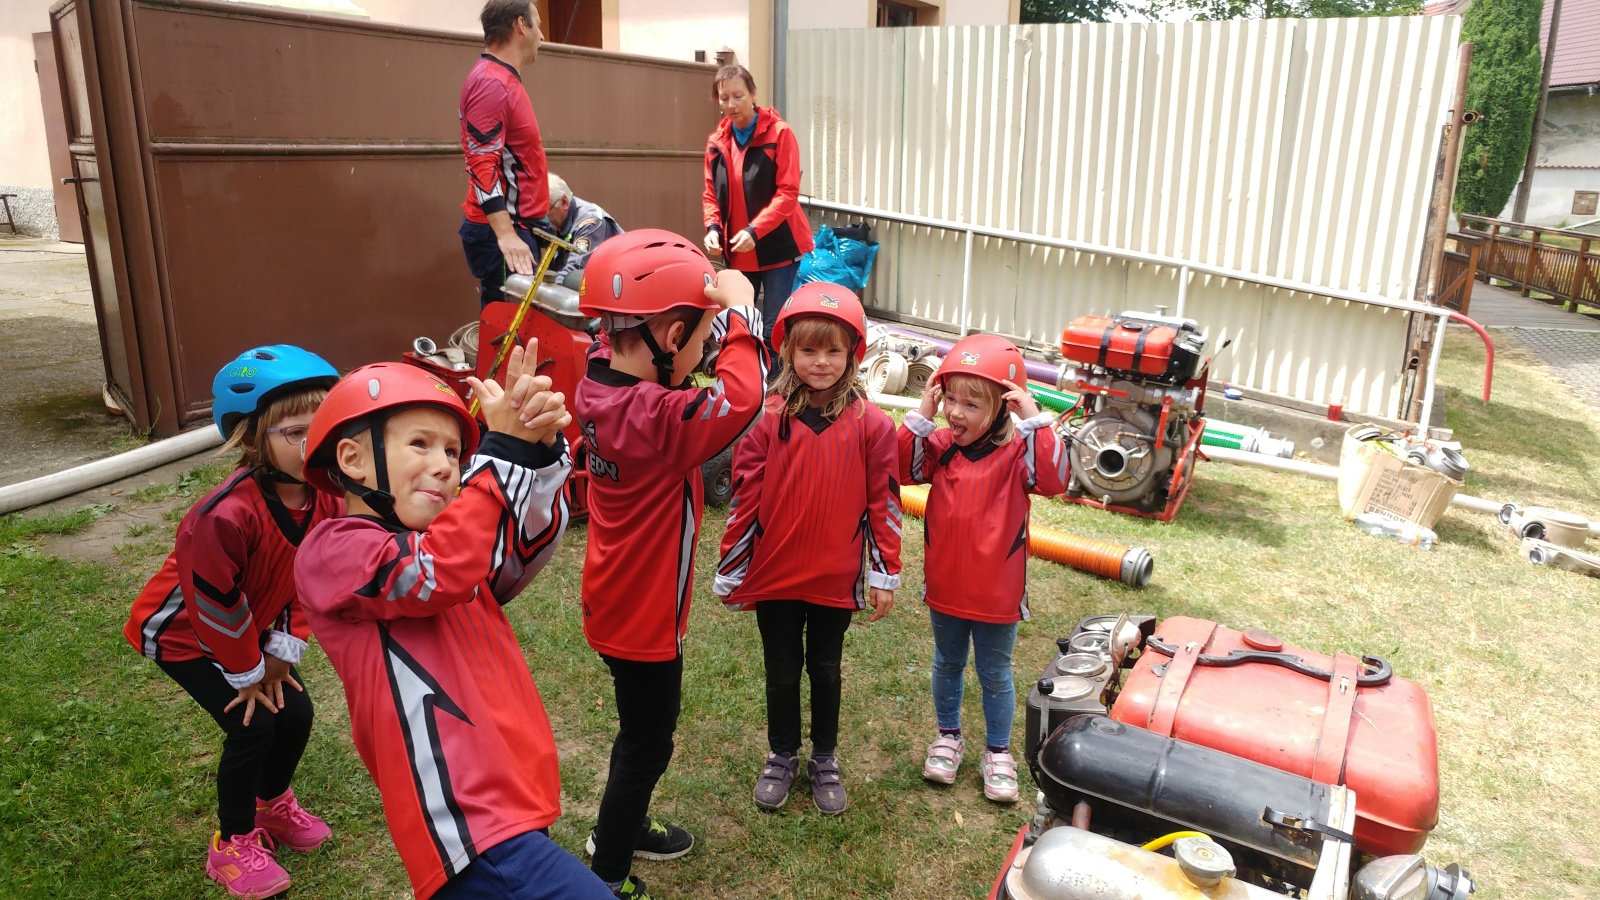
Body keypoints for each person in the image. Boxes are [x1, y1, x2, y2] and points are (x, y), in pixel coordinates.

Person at [293, 352, 613, 900]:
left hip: (505, 802)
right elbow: (437, 572)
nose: (445, 466)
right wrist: (502, 453)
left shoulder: (444, 545)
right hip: (464, 822)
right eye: (421, 443)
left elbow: (521, 554)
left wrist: (538, 455)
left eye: (452, 452)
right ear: (352, 459)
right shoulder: (333, 550)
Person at [574, 229, 769, 899]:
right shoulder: (654, 415)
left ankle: (621, 827)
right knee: (648, 742)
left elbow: (611, 334)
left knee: (638, 732)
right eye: (702, 341)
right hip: (643, 621)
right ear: (670, 335)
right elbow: (742, 397)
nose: (706, 355)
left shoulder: (601, 383)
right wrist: (741, 312)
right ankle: (608, 869)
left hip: (615, 602)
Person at [122, 345, 340, 900]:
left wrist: (282, 650)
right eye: (296, 432)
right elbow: (213, 603)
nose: (313, 443)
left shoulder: (327, 497)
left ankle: (271, 804)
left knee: (297, 713)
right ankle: (233, 842)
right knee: (254, 724)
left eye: (324, 427)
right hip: (185, 634)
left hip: (253, 624)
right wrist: (249, 671)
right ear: (251, 439)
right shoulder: (223, 514)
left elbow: (309, 575)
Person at [712, 282, 901, 816]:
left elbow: (885, 503)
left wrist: (884, 572)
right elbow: (745, 498)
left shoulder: (873, 426)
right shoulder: (766, 419)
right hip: (775, 573)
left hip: (833, 577)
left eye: (833, 350)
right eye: (809, 349)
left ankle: (824, 757)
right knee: (781, 669)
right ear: (788, 351)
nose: (821, 362)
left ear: (853, 354)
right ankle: (781, 754)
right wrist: (732, 567)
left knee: (825, 667)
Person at [898, 334, 1070, 804]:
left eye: (971, 404)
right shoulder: (940, 445)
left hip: (997, 593)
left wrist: (1034, 419)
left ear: (1003, 409)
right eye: (950, 399)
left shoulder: (1018, 455)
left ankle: (997, 752)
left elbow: (1055, 479)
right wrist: (923, 411)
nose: (956, 413)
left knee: (995, 673)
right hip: (946, 587)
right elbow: (899, 467)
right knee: (947, 663)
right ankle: (948, 737)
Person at [702, 64, 814, 342]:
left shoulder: (779, 133)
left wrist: (755, 230)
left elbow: (788, 192)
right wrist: (713, 228)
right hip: (738, 252)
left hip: (779, 248)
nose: (731, 104)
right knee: (740, 322)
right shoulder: (717, 143)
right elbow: (710, 194)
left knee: (774, 325)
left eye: (738, 96)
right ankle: (746, 368)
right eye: (724, 98)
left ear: (753, 95)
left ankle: (775, 371)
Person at [459, 0, 552, 307]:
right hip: (506, 233)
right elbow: (481, 163)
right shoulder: (491, 83)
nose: (542, 36)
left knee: (518, 328)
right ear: (520, 25)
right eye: (538, 25)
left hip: (518, 229)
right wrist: (507, 235)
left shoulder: (501, 79)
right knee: (511, 330)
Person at [547, 173, 623, 288]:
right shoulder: (560, 221)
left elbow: (574, 271)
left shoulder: (590, 222)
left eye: (545, 210)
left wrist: (546, 291)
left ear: (564, 202)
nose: (541, 217)